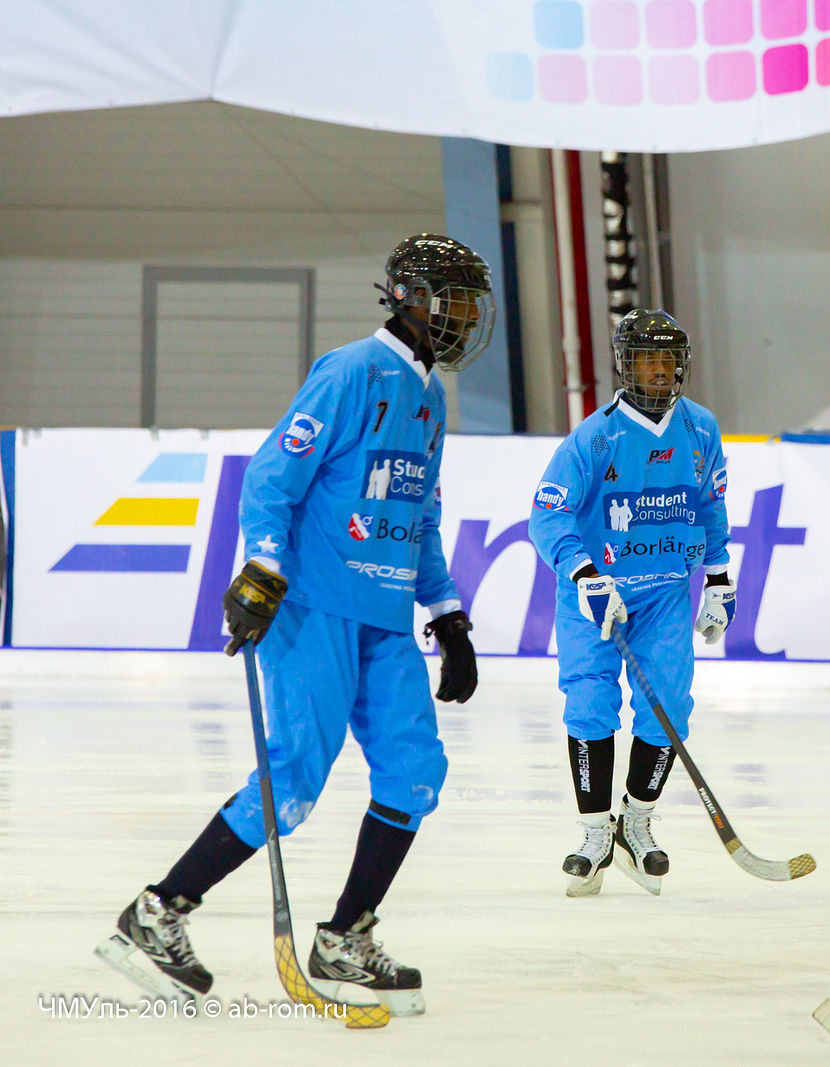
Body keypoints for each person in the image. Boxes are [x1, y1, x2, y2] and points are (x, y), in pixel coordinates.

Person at [96, 234, 490, 1016]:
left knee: (416, 771)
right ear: (411, 297)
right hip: (314, 606)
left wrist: (447, 615)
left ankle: (345, 936)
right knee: (298, 776)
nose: (468, 319)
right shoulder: (350, 372)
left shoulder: (430, 396)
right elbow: (272, 478)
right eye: (458, 301)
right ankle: (158, 911)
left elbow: (419, 515)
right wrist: (262, 570)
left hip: (385, 618)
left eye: (476, 306)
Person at [529, 308, 733, 898]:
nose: (659, 370)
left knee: (667, 705)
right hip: (595, 596)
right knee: (590, 702)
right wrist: (586, 575)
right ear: (626, 365)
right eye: (647, 360)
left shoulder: (700, 428)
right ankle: (595, 834)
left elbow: (710, 505)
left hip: (665, 592)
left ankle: (636, 823)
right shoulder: (595, 437)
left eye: (668, 359)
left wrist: (719, 579)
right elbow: (547, 514)